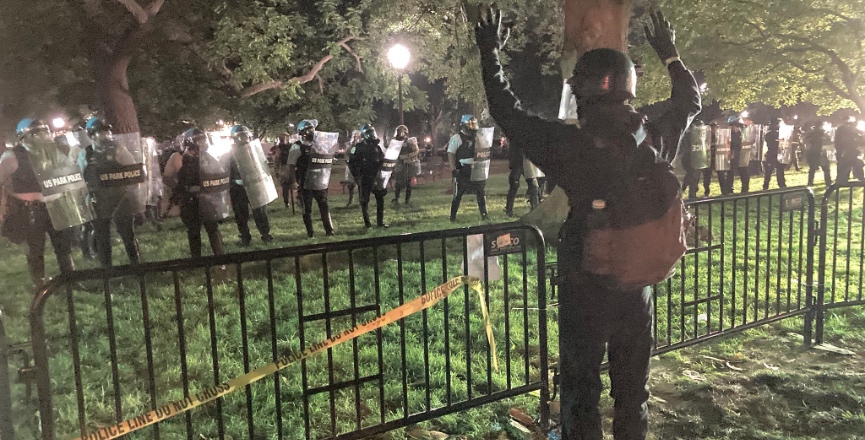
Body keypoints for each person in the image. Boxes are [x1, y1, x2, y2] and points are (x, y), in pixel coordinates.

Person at [474, 8, 700, 440]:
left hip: (585, 288)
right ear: (628, 88)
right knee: (633, 394)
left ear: (581, 90)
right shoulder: (654, 137)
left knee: (581, 392)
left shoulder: (567, 147)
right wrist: (670, 55)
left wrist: (491, 54)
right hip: (639, 288)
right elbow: (690, 101)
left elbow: (507, 111)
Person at [0, 119, 87, 287]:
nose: (42, 137)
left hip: (56, 207)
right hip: (30, 210)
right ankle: (39, 284)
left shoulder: (54, 153)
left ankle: (71, 279)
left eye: (43, 133)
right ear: (25, 137)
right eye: (36, 134)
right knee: (35, 249)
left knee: (63, 246)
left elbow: (68, 177)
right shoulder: (12, 156)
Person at [81, 116, 144, 268]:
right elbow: (81, 177)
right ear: (91, 135)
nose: (105, 135)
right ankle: (107, 271)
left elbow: (133, 170)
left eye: (106, 132)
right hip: (98, 200)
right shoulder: (86, 154)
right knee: (102, 236)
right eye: (100, 132)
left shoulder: (118, 149)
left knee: (127, 234)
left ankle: (137, 266)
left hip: (120, 198)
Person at [162, 128, 227, 258]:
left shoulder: (208, 158)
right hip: (189, 199)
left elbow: (220, 175)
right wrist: (181, 188)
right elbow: (167, 177)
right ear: (191, 142)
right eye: (199, 140)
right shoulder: (178, 158)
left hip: (207, 198)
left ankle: (220, 259)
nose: (202, 143)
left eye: (203, 140)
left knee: (212, 228)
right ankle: (196, 261)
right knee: (193, 231)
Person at [228, 125, 275, 245]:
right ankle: (245, 236)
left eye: (246, 135)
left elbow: (262, 166)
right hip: (238, 188)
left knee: (260, 211)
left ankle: (265, 233)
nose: (245, 138)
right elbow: (228, 170)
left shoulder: (253, 150)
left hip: (254, 185)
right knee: (241, 214)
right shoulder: (230, 154)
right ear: (235, 138)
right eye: (241, 136)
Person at [287, 119, 335, 237]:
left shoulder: (318, 145)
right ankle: (310, 233)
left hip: (319, 181)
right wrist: (293, 181)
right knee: (307, 209)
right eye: (309, 129)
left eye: (312, 129)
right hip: (305, 181)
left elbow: (325, 158)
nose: (312, 132)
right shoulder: (297, 147)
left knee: (324, 205)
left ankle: (329, 230)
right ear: (302, 132)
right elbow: (291, 165)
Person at [447, 115, 491, 222]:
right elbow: (451, 153)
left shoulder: (479, 137)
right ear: (464, 124)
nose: (473, 126)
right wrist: (453, 169)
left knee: (481, 192)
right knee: (458, 194)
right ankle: (452, 217)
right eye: (470, 124)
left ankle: (484, 215)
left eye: (474, 123)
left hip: (477, 168)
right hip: (463, 170)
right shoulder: (457, 138)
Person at [348, 124, 389, 228]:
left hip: (376, 176)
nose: (371, 135)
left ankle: (380, 222)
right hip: (365, 177)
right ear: (364, 135)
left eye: (372, 132)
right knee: (364, 201)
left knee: (380, 199)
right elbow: (351, 162)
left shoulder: (377, 147)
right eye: (369, 133)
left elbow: (382, 160)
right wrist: (357, 176)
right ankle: (368, 224)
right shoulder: (358, 147)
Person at [505, 141, 542, 216]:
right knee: (514, 184)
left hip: (527, 161)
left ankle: (535, 209)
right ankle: (509, 209)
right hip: (518, 161)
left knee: (533, 185)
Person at [681, 119, 710, 199]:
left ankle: (685, 190)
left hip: (698, 159)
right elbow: (688, 148)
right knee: (692, 176)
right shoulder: (688, 135)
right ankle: (691, 195)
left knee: (693, 176)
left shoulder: (701, 136)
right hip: (690, 159)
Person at [392, 126, 421, 205]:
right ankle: (396, 198)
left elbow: (416, 152)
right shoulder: (396, 142)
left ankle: (407, 200)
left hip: (408, 164)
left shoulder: (410, 142)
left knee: (408, 183)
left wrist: (406, 156)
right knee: (398, 183)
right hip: (400, 164)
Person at [834, 119, 865, 184]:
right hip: (847, 153)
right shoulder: (847, 133)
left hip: (849, 153)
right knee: (849, 165)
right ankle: (842, 179)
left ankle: (843, 179)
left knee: (852, 165)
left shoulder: (849, 132)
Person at [728, 116, 751, 193]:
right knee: (730, 172)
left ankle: (745, 189)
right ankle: (730, 189)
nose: (731, 127)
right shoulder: (732, 133)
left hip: (741, 155)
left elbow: (739, 144)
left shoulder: (743, 132)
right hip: (734, 155)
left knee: (744, 172)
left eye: (733, 125)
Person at [762, 119, 787, 189]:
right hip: (772, 153)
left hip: (778, 154)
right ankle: (766, 185)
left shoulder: (779, 133)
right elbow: (771, 144)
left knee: (779, 170)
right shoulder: (769, 134)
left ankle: (781, 184)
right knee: (769, 171)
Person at [274, 132, 295, 208]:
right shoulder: (279, 147)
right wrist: (276, 169)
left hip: (292, 166)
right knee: (285, 186)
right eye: (281, 137)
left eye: (285, 137)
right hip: (284, 167)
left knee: (296, 182)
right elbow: (277, 158)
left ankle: (301, 199)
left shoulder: (292, 146)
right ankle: (286, 202)